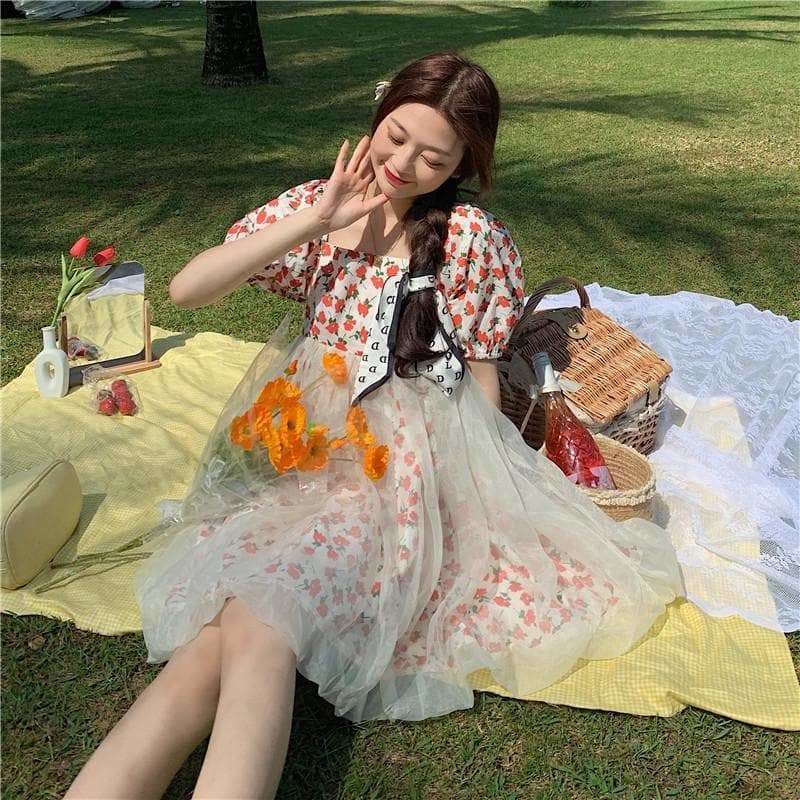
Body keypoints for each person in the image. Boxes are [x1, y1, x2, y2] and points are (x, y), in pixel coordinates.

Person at [64, 51, 684, 800]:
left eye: (434, 158)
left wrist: (481, 497)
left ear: (463, 165)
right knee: (219, 636)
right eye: (395, 137)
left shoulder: (472, 238)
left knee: (256, 621)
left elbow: (480, 374)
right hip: (302, 454)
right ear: (378, 115)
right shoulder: (321, 206)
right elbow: (189, 288)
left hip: (399, 468)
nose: (404, 164)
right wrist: (318, 221)